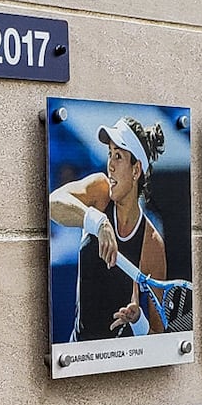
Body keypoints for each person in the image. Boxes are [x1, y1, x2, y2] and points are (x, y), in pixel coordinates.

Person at [49, 117, 172, 339]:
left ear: (136, 171)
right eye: (109, 154)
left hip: (120, 359)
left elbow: (157, 333)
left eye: (118, 156)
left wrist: (137, 320)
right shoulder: (100, 191)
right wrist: (98, 222)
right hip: (79, 353)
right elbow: (53, 202)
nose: (110, 165)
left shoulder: (152, 243)